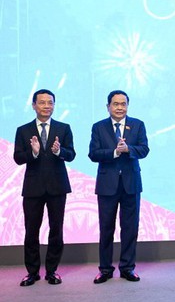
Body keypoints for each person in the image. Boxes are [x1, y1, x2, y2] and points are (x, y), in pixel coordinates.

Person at [13, 89, 76, 286]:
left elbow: (71, 154)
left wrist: (59, 151)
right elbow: (17, 158)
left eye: (50, 102)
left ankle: (52, 271)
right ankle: (32, 272)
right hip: (33, 188)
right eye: (42, 102)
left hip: (57, 187)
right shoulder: (23, 130)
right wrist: (32, 153)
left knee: (56, 230)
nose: (46, 106)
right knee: (31, 230)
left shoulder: (63, 128)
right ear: (34, 105)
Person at [89, 90, 149, 284]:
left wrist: (129, 149)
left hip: (131, 184)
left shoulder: (138, 125)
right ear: (108, 107)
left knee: (130, 228)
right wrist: (114, 152)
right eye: (116, 104)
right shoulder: (99, 127)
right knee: (106, 228)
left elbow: (144, 149)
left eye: (123, 104)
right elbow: (93, 153)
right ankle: (105, 269)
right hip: (107, 185)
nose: (120, 107)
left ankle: (127, 268)